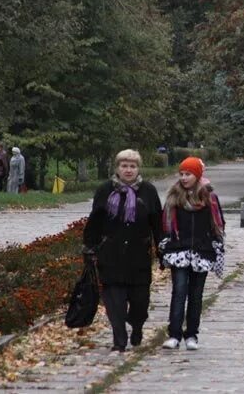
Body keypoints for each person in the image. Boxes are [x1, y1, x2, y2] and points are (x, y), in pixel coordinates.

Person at [82, 149, 163, 352]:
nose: (128, 170)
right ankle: (119, 339)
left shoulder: (148, 191)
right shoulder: (105, 190)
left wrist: (162, 250)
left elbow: (157, 223)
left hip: (139, 256)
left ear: (138, 169)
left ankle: (137, 326)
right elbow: (94, 221)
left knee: (140, 304)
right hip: (111, 254)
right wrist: (89, 247)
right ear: (117, 168)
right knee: (114, 303)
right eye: (124, 166)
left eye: (132, 166)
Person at [159, 157, 225, 351]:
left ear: (197, 175)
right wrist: (166, 244)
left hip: (202, 251)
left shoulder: (209, 198)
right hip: (179, 251)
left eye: (188, 174)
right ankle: (174, 334)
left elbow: (217, 223)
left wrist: (216, 244)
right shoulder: (174, 197)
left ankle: (192, 335)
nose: (184, 177)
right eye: (181, 174)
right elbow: (166, 224)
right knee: (179, 291)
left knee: (196, 295)